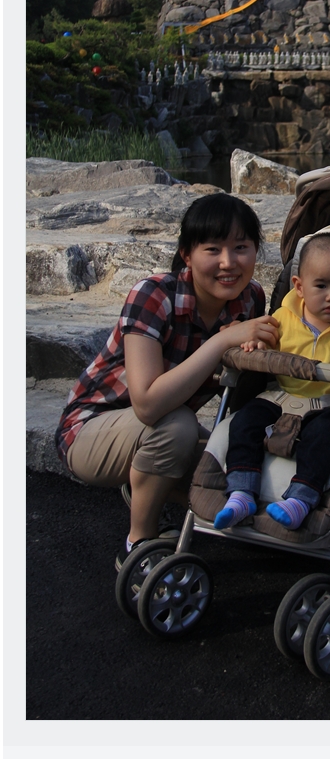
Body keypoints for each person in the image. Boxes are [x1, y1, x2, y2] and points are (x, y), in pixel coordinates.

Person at [56, 193, 280, 570]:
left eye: (241, 247)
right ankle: (139, 543)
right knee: (177, 427)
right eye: (213, 249)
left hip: (161, 427)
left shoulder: (249, 299)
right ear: (186, 255)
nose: (229, 262)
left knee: (234, 470)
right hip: (91, 429)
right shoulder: (154, 295)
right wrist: (221, 342)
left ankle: (144, 483)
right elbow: (147, 404)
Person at [213, 232, 330, 531]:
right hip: (282, 397)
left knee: (325, 437)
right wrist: (255, 345)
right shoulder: (283, 317)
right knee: (244, 422)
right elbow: (264, 343)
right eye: (321, 286)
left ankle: (301, 499)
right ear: (299, 286)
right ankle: (241, 492)